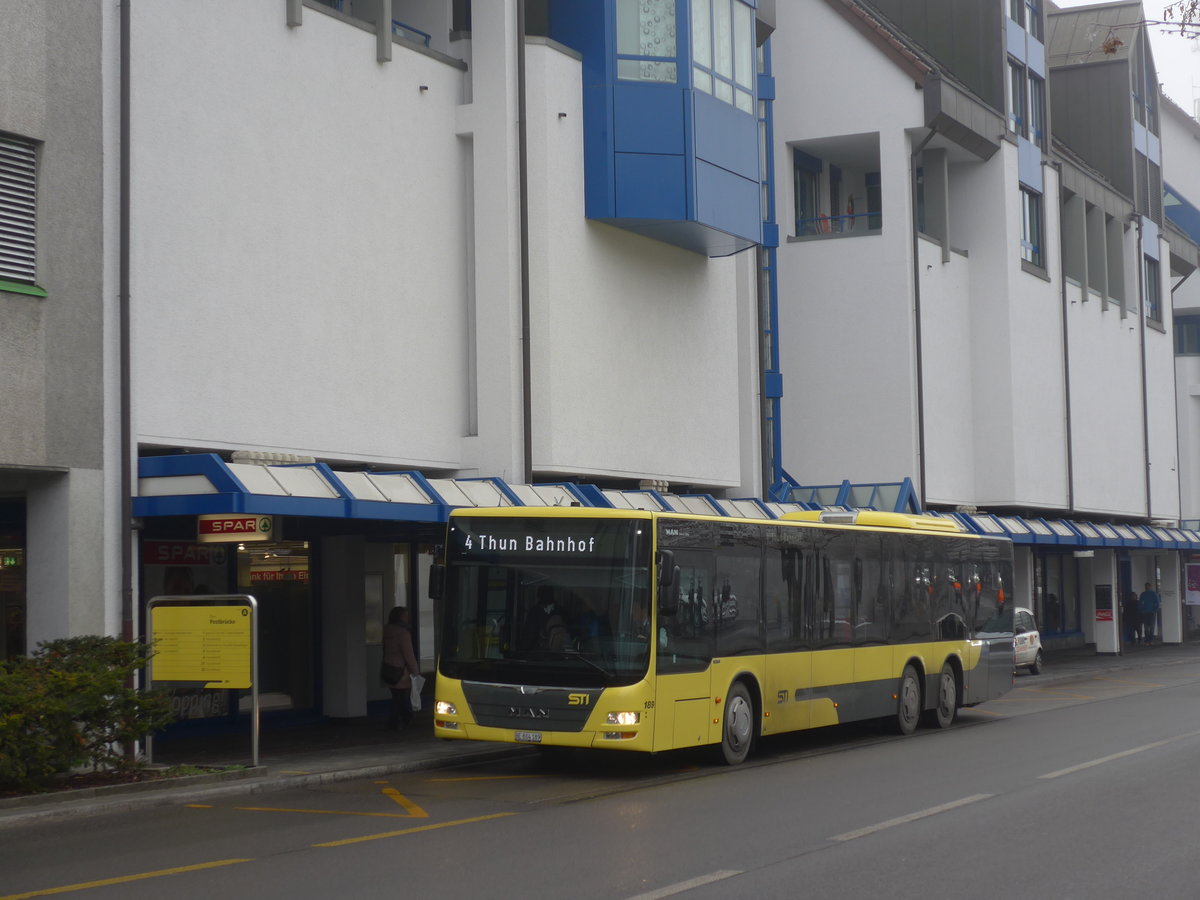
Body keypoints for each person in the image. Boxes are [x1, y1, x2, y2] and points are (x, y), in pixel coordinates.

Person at [381, 606, 420, 730]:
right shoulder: (403, 633)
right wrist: (415, 671)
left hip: (388, 669)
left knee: (398, 696)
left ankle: (403, 720)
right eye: (405, 615)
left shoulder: (386, 631)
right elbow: (409, 654)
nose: (407, 618)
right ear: (401, 617)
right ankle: (401, 721)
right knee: (400, 697)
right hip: (401, 671)